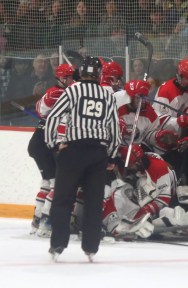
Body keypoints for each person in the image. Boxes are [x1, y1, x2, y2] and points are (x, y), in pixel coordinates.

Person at [45, 56, 121, 261]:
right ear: (99, 74)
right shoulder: (107, 96)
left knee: (63, 199)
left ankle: (59, 244)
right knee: (94, 202)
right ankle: (91, 247)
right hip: (98, 153)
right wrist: (113, 154)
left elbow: (52, 116)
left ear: (81, 72)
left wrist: (53, 143)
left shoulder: (72, 90)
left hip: (73, 151)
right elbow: (114, 127)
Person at [29, 63, 75, 237]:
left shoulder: (52, 91)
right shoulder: (60, 93)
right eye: (68, 77)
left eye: (71, 76)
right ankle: (47, 222)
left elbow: (40, 109)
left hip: (38, 141)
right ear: (61, 78)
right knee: (57, 184)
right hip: (45, 142)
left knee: (47, 183)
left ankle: (37, 221)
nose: (71, 80)